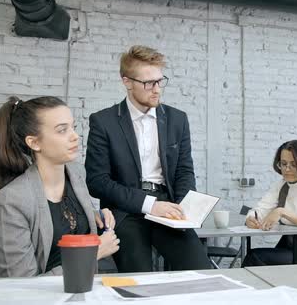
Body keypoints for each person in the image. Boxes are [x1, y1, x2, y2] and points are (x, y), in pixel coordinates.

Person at [85, 45, 210, 272]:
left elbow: (184, 170)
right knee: (140, 279)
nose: (157, 90)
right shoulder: (103, 122)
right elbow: (97, 182)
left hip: (167, 205)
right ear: (127, 82)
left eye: (160, 81)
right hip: (126, 211)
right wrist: (150, 205)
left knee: (200, 270)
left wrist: (184, 207)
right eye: (148, 83)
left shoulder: (177, 119)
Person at [0, 96, 119, 277]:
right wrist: (93, 253)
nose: (75, 136)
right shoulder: (11, 201)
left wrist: (94, 216)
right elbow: (21, 285)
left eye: (73, 127)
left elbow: (63, 220)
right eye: (62, 130)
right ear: (34, 142)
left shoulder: (77, 175)